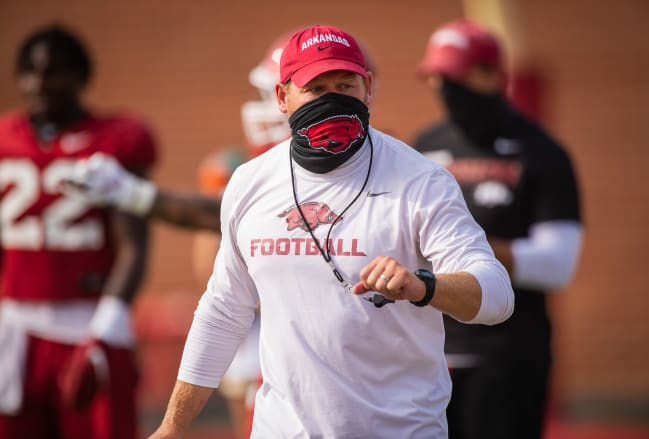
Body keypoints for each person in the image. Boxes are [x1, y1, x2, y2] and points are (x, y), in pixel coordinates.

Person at [147, 24, 514, 439]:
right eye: (317, 89)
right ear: (282, 98)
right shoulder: (250, 183)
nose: (334, 100)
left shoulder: (420, 180)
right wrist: (173, 425)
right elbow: (223, 310)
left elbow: (497, 296)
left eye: (345, 84)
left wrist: (423, 285)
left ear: (368, 88)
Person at [413, 19, 583, 439]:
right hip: (428, 356)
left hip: (507, 356)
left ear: (492, 74)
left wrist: (469, 247)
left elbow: (557, 264)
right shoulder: (421, 147)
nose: (443, 86)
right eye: (435, 76)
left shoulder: (542, 152)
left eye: (455, 75)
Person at [0, 24, 157, 439]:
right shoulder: (4, 137)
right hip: (13, 324)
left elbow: (133, 245)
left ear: (81, 76)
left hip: (88, 321)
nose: (39, 84)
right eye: (30, 72)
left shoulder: (115, 139)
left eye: (54, 71)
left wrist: (107, 326)